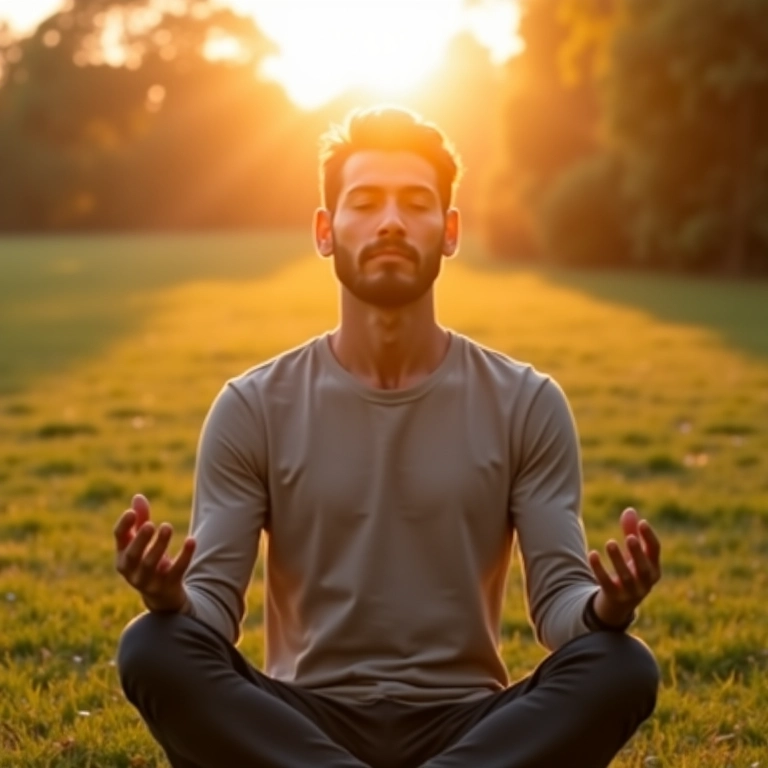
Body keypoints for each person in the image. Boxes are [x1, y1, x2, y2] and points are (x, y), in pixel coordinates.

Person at [115, 105, 661, 768]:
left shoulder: (526, 402)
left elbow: (560, 613)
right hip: (301, 723)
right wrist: (167, 597)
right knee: (152, 645)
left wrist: (608, 605)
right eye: (365, 202)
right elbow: (210, 617)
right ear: (325, 230)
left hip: (467, 729)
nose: (392, 223)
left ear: (450, 231)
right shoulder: (253, 406)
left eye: (417, 204)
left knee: (621, 665)